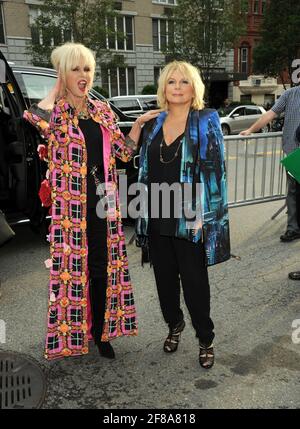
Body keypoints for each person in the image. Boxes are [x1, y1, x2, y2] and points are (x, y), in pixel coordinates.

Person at [23, 42, 159, 360]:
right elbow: (31, 115)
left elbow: (124, 153)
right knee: (73, 270)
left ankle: (100, 333)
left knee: (101, 268)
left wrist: (137, 126)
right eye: (75, 69)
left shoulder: (101, 111)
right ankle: (73, 333)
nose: (84, 75)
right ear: (62, 75)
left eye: (87, 69)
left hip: (104, 202)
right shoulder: (56, 114)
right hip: (71, 208)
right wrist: (58, 87)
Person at [135, 61, 231, 369]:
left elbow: (217, 172)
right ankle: (174, 324)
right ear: (163, 87)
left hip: (190, 213)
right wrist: (136, 125)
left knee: (194, 283)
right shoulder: (152, 124)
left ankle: (205, 337)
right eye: (171, 81)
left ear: (194, 89)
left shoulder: (205, 121)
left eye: (184, 82)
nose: (177, 86)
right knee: (164, 281)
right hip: (156, 211)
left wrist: (209, 219)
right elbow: (132, 162)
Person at [240, 88, 300, 243]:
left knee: (294, 192)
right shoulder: (290, 94)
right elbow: (270, 114)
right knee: (293, 191)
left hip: (294, 151)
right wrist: (251, 130)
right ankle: (293, 229)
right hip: (294, 152)